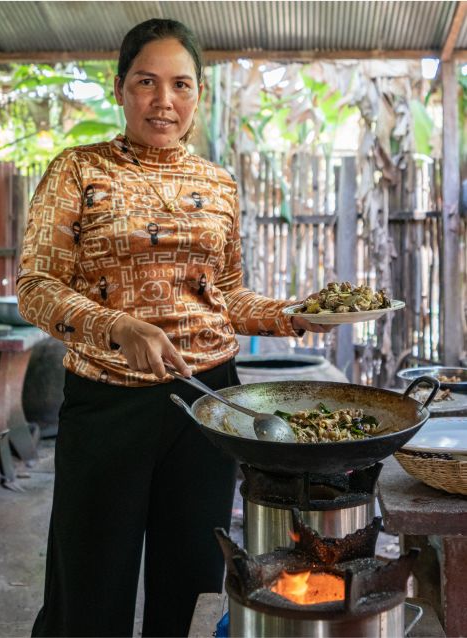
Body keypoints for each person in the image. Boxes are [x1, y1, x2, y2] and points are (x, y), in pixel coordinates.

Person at [17, 18, 332, 638]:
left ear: (199, 95)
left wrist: (294, 315)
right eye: (146, 82)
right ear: (119, 89)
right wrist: (115, 326)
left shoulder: (217, 185)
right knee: (89, 585)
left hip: (206, 401)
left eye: (181, 84)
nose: (165, 101)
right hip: (107, 404)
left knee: (191, 585)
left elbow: (227, 296)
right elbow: (36, 288)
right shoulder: (77, 171)